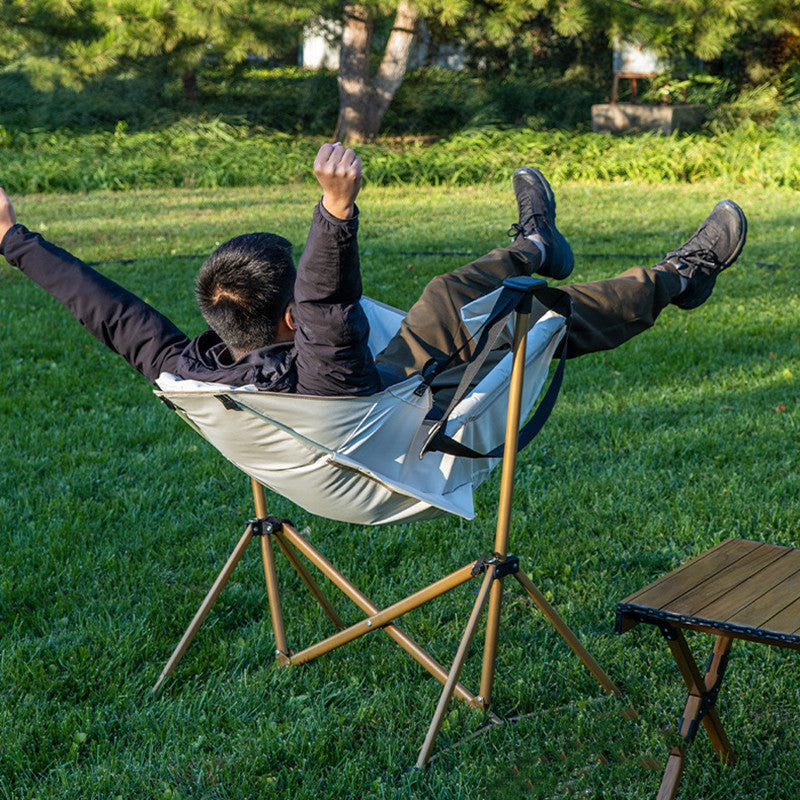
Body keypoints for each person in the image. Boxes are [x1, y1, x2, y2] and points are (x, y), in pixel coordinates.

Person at [0, 143, 747, 408]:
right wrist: (334, 210)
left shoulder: (189, 369)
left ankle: (535, 242)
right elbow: (327, 298)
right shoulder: (325, 366)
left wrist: (12, 239)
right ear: (291, 318)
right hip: (399, 430)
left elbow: (110, 314)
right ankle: (680, 276)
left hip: (322, 449)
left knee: (454, 295)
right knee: (517, 311)